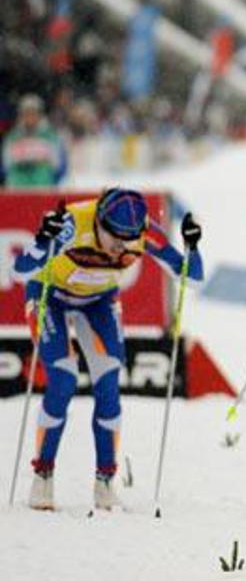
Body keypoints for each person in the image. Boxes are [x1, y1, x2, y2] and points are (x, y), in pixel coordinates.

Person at [12, 188, 204, 511]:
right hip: (50, 294)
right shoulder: (74, 223)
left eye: (128, 241)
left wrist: (193, 247)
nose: (120, 247)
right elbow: (19, 272)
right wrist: (43, 242)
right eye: (114, 237)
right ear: (99, 221)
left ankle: (105, 483)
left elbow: (192, 278)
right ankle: (42, 476)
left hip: (98, 301)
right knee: (63, 378)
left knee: (109, 384)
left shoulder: (143, 230)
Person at [1, 94, 68, 187]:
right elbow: (5, 167)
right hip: (17, 189)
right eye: (26, 113)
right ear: (20, 115)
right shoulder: (12, 137)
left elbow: (59, 168)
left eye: (33, 113)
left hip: (43, 188)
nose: (30, 117)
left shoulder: (51, 137)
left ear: (40, 115)